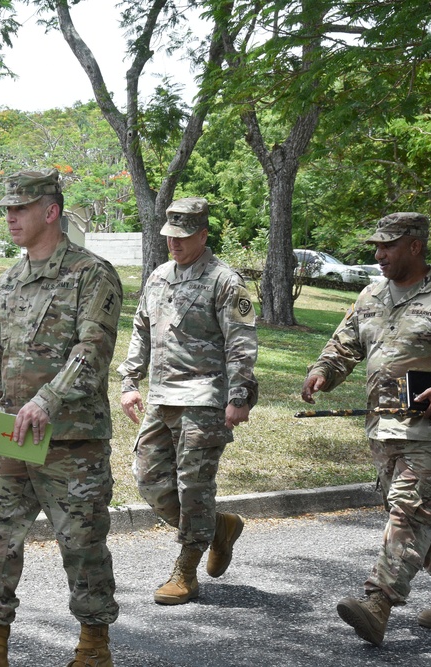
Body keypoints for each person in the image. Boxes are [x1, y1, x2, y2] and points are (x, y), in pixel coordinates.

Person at [301, 212, 431, 646]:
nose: (378, 254)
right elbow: (344, 344)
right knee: (425, 513)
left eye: (388, 246)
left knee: (408, 509)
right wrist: (322, 373)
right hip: (382, 428)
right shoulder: (371, 294)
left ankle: (378, 602)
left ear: (415, 246)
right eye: (377, 246)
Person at [0, 169, 124, 667]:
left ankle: (94, 646)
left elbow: (92, 349)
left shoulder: (92, 274)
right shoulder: (10, 279)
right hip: (11, 436)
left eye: (20, 208)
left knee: (82, 542)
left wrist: (47, 401)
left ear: (50, 211)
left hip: (71, 440)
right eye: (6, 209)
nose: (10, 217)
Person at [117, 196, 258, 606]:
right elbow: (141, 329)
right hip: (162, 397)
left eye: (182, 237)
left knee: (193, 486)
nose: (173, 244)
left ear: (203, 234)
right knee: (148, 478)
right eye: (168, 236)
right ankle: (218, 527)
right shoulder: (159, 276)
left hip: (206, 398)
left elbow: (242, 343)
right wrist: (129, 380)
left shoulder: (225, 281)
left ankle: (186, 570)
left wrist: (239, 396)